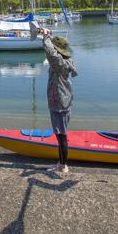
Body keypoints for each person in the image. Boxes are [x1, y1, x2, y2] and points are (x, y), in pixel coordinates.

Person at [41, 27, 78, 174]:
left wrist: (45, 38)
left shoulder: (60, 63)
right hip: (63, 100)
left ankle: (63, 166)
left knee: (61, 135)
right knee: (60, 133)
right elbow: (53, 53)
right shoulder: (67, 60)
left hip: (60, 103)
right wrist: (48, 36)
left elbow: (51, 54)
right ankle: (60, 162)